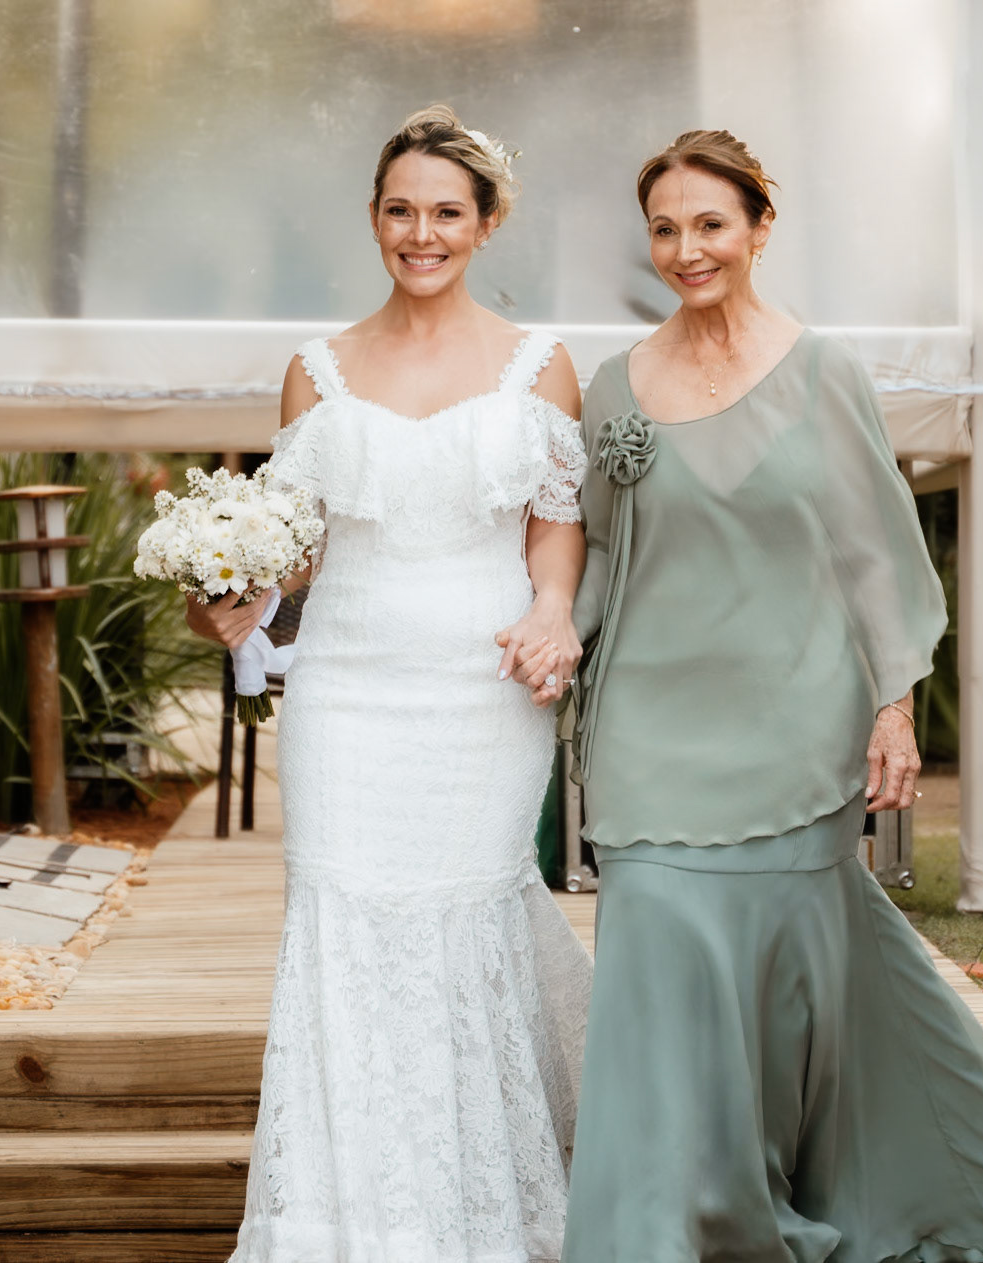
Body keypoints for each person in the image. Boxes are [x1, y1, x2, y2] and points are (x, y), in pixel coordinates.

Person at [556, 130, 983, 1262]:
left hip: (798, 728)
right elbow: (589, 561)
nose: (687, 249)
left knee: (796, 990)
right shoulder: (613, 389)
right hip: (650, 733)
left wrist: (892, 710)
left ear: (758, 227)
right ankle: (654, 1234)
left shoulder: (825, 371)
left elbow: (877, 558)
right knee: (658, 983)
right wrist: (536, 640)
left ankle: (825, 1193)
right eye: (665, 228)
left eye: (710, 224)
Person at [185, 104, 593, 1263]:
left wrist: (551, 610)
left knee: (466, 926)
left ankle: (480, 1221)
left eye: (447, 213)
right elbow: (292, 553)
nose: (423, 233)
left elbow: (553, 528)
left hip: (481, 693)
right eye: (401, 211)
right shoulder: (316, 372)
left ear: (487, 222)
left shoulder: (539, 363)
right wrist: (230, 600)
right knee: (344, 937)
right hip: (346, 699)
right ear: (374, 219)